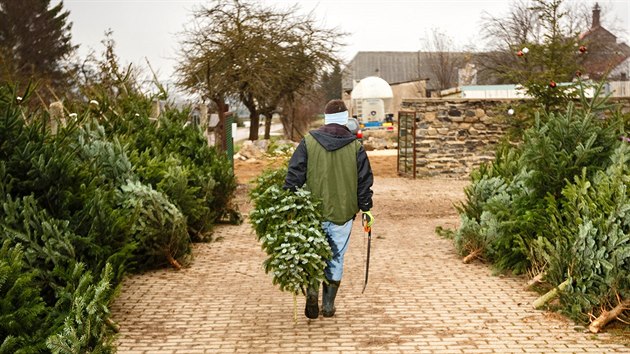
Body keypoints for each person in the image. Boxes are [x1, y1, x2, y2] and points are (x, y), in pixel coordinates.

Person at [284, 99, 374, 319]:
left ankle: (312, 295)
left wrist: (287, 203)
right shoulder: (355, 147)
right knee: (335, 257)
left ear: (326, 119)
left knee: (313, 253)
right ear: (345, 120)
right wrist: (366, 209)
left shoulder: (308, 142)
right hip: (342, 214)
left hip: (312, 212)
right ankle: (327, 306)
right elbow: (364, 182)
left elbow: (294, 175)